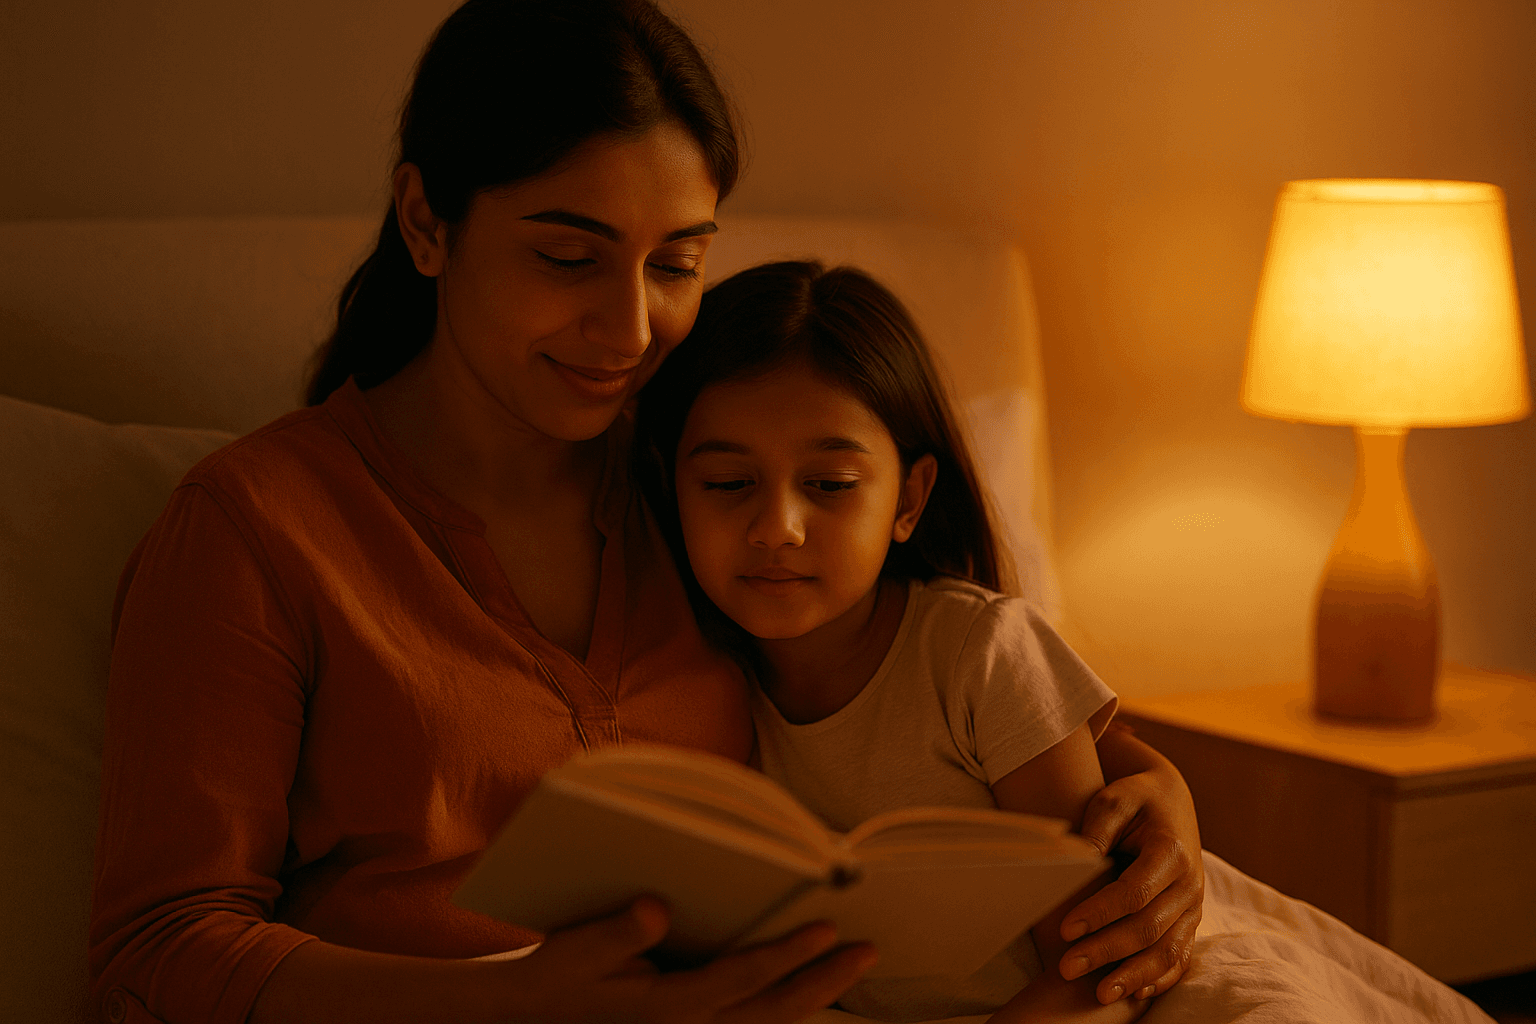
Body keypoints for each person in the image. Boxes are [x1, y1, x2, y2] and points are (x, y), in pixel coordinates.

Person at [89, 2, 1201, 1022]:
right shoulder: (255, 531)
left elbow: (994, 700)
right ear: (427, 223)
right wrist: (510, 1009)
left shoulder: (708, 482)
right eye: (568, 256)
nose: (630, 329)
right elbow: (161, 947)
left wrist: (1169, 809)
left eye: (676, 262)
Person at [634, 261, 1196, 1023]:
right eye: (729, 484)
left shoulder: (982, 657)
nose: (776, 529)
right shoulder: (687, 685)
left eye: (830, 485)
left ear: (910, 498)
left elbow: (1095, 961)